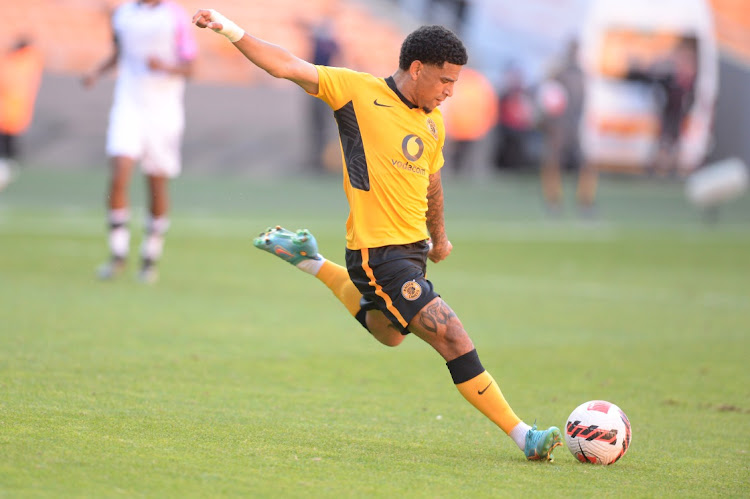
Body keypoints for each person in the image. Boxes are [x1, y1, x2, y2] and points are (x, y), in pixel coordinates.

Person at [192, 9, 562, 461]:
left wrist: (439, 238)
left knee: (389, 334)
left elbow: (431, 182)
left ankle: (309, 259)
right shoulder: (355, 91)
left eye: (456, 84)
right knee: (452, 337)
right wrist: (228, 28)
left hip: (413, 252)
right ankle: (524, 435)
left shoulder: (432, 121)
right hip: (377, 252)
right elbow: (283, 64)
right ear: (417, 69)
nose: (450, 92)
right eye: (445, 81)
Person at [83, 0, 197, 283]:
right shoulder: (122, 13)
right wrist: (97, 71)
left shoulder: (175, 16)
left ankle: (149, 258)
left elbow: (191, 67)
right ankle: (118, 256)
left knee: (156, 183)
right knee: (119, 173)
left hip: (164, 111)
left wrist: (167, 67)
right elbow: (119, 52)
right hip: (128, 105)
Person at [0, 36, 44, 191]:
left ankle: (8, 171)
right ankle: (7, 170)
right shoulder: (16, 62)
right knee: (6, 143)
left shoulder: (24, 62)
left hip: (13, 111)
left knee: (8, 144)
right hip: (9, 110)